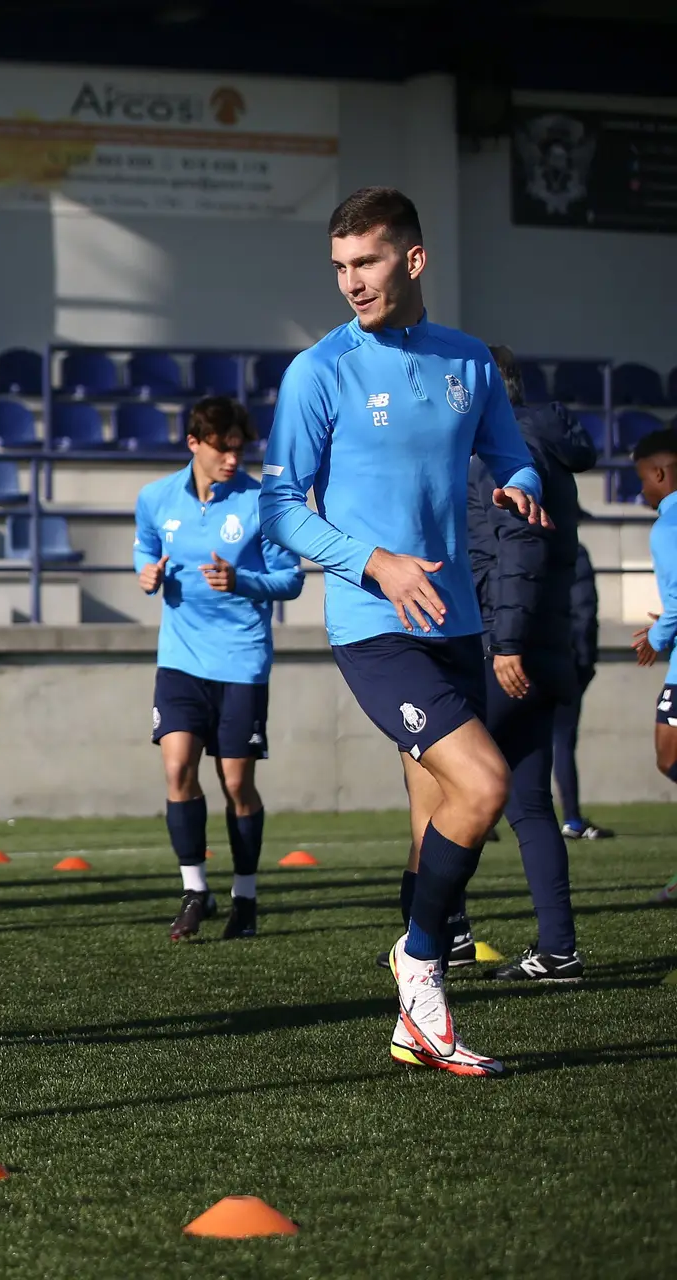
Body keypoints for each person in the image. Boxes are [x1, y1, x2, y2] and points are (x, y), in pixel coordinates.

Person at [261, 187, 546, 1077]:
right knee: (486, 786)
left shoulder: (468, 362)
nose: (352, 282)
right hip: (374, 624)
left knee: (435, 824)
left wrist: (522, 478)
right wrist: (372, 561)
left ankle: (413, 1023)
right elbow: (278, 507)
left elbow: (509, 447)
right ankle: (420, 963)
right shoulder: (319, 370)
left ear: (413, 260)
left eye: (368, 263)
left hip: (456, 621)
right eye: (340, 267)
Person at [134, 397, 303, 943]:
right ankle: (194, 891)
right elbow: (143, 546)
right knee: (178, 770)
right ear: (194, 444)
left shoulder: (262, 502)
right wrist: (146, 572)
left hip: (241, 660)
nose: (233, 458)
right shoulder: (155, 497)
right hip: (180, 658)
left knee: (236, 783)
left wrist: (243, 581)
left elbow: (290, 579)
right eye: (222, 448)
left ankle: (246, 898)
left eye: (239, 448)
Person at [468, 346, 596, 981]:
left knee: (441, 783)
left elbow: (517, 548)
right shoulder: (545, 444)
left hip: (507, 648)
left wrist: (503, 644)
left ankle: (439, 935)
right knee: (529, 804)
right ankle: (558, 948)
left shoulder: (504, 448)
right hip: (541, 647)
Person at [626, 430, 677, 906]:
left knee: (668, 755)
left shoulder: (668, 525)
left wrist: (659, 638)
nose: (641, 489)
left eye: (642, 479)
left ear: (659, 474)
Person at [555, 543, 614, 839]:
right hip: (563, 659)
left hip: (513, 659)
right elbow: (584, 611)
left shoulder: (509, 546)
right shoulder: (572, 552)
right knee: (562, 742)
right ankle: (573, 820)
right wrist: (585, 661)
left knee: (515, 746)